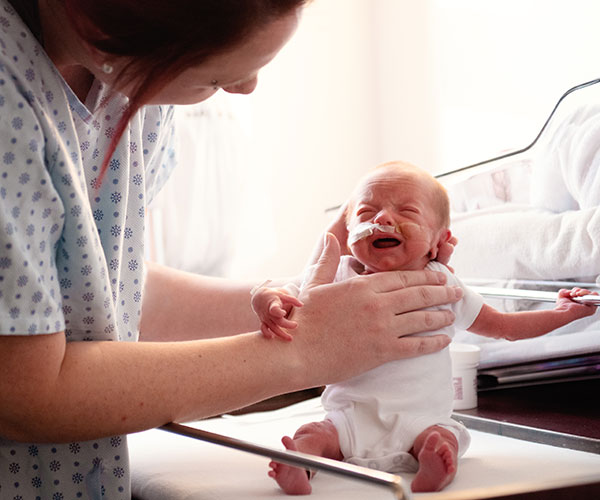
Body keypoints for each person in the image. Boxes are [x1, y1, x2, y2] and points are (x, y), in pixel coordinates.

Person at [0, 2, 465, 499]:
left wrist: (298, 303)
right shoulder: (13, 107)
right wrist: (304, 350)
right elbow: (25, 392)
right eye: (217, 80)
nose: (247, 87)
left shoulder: (135, 90)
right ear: (102, 31)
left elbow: (106, 287)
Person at [251, 161, 597, 494]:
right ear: (348, 234)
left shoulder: (442, 285)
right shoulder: (337, 275)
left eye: (407, 211)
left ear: (437, 240)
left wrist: (563, 313)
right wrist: (266, 299)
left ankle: (434, 458)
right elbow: (288, 292)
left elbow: (504, 326)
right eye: (366, 213)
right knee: (314, 434)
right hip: (348, 418)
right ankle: (300, 462)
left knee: (450, 435)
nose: (383, 218)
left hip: (420, 421)